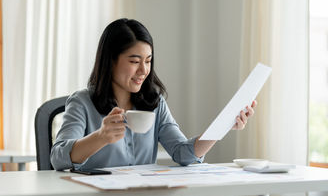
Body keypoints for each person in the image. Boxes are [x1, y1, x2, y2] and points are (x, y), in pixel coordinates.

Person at [50, 18, 256, 172]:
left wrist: (223, 125)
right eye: (134, 61)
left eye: (148, 61)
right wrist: (100, 137)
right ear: (111, 60)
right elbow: (58, 158)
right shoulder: (82, 102)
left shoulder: (155, 104)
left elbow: (183, 153)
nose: (143, 70)